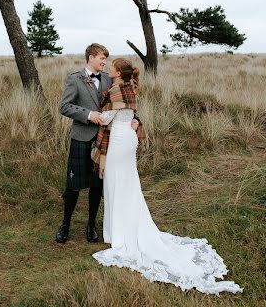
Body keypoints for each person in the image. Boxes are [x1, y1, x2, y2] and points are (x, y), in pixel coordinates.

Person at [91, 58, 243, 296]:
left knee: (116, 184)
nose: (109, 68)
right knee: (126, 184)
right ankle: (119, 230)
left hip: (120, 140)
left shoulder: (117, 89)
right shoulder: (130, 88)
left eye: (113, 67)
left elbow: (108, 118)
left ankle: (119, 235)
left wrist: (94, 116)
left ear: (118, 73)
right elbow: (130, 115)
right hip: (127, 140)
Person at [55, 44, 139, 244]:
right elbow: (64, 107)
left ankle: (91, 225)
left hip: (106, 141)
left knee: (97, 184)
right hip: (81, 137)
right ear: (91, 57)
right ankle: (65, 224)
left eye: (106, 59)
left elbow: (124, 105)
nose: (104, 62)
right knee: (73, 185)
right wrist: (90, 115)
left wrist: (135, 120)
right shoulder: (74, 79)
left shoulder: (110, 80)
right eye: (102, 58)